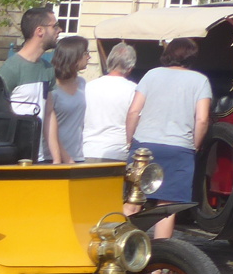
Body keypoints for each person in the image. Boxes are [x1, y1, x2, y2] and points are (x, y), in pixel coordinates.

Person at [126, 36, 213, 239]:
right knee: (167, 207)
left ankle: (122, 252)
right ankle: (159, 266)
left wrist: (130, 141)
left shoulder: (151, 75)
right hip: (179, 148)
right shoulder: (200, 80)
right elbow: (202, 120)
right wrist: (195, 146)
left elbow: (133, 112)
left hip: (144, 146)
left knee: (133, 201)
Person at [0, 6, 60, 132]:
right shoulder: (11, 69)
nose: (59, 30)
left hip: (38, 151)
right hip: (16, 149)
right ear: (39, 31)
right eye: (55, 26)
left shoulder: (48, 69)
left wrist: (55, 152)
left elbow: (49, 114)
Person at [80, 41, 139, 161]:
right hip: (118, 152)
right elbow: (135, 120)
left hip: (88, 149)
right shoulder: (134, 90)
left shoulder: (89, 86)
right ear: (130, 67)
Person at [45, 35, 90, 163]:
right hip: (53, 158)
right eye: (85, 53)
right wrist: (65, 158)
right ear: (73, 56)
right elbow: (49, 125)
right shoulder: (52, 87)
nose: (89, 57)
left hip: (77, 155)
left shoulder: (82, 83)